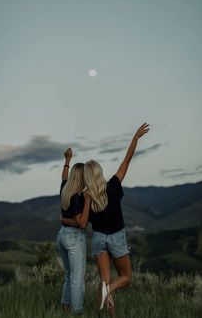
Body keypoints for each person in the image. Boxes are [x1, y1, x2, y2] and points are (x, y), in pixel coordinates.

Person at [83, 123, 150, 317]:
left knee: (105, 281)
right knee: (126, 277)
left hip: (97, 239)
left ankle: (102, 312)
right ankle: (108, 292)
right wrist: (135, 139)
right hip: (116, 238)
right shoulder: (112, 186)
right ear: (99, 173)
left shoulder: (85, 197)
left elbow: (84, 221)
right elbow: (126, 162)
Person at [56, 148, 91, 315]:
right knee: (77, 279)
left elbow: (63, 176)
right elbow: (81, 223)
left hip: (61, 235)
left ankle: (65, 309)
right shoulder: (78, 196)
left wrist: (67, 160)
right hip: (74, 238)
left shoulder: (65, 188)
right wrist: (88, 201)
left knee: (69, 275)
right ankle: (77, 312)